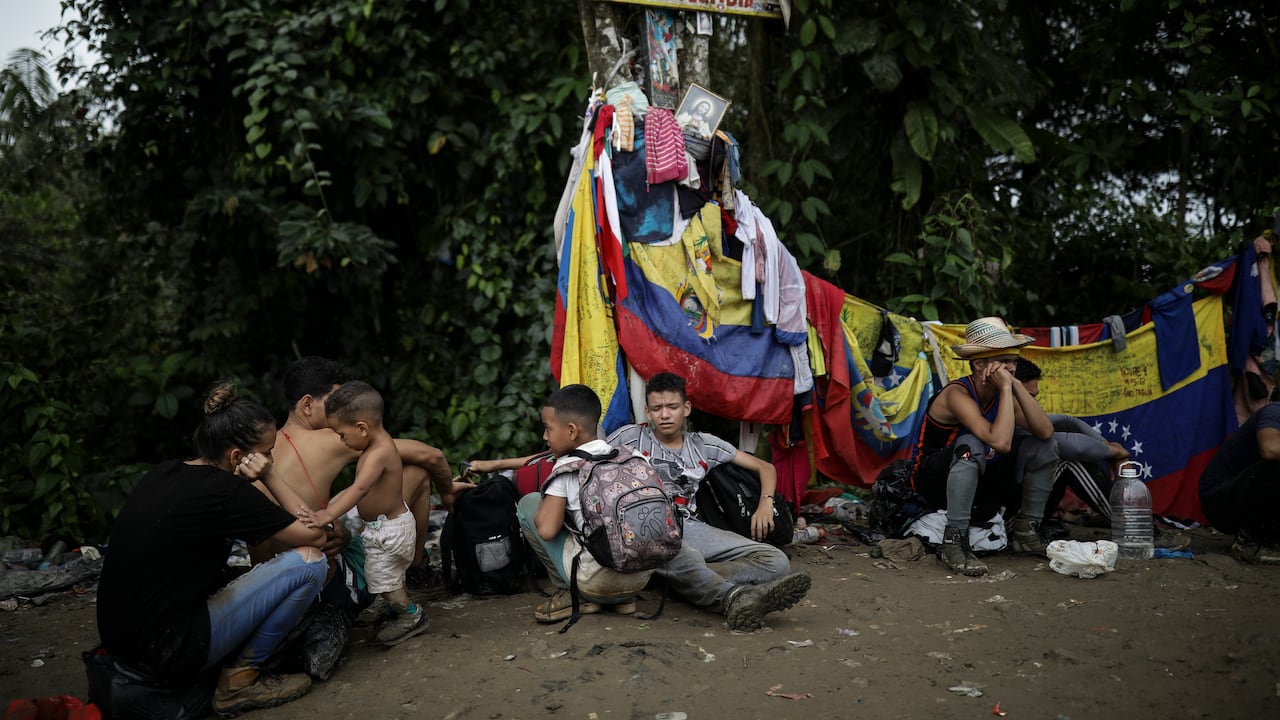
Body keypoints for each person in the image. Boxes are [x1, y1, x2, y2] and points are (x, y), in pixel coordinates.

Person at [96, 382, 327, 717]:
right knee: (310, 563)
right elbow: (316, 537)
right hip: (167, 650)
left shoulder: (164, 473)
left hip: (124, 643)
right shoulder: (226, 492)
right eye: (267, 452)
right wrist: (272, 475)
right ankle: (238, 683)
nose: (271, 459)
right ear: (238, 457)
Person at [517, 384, 812, 632]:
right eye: (657, 408)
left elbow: (546, 529)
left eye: (547, 429)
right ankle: (731, 595)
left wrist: (549, 495)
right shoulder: (632, 453)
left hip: (606, 575)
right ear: (647, 413)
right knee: (675, 554)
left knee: (529, 505)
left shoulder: (567, 468)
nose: (545, 436)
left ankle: (570, 593)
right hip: (643, 569)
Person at [260, 356, 471, 576]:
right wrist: (447, 491)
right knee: (417, 470)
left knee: (358, 487)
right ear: (307, 404)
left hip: (276, 582)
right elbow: (432, 456)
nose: (344, 408)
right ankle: (416, 572)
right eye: (335, 401)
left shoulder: (262, 451)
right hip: (324, 582)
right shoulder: (329, 440)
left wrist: (340, 532)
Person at [606, 372, 794, 586]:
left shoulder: (703, 445)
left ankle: (688, 575)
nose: (665, 415)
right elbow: (590, 458)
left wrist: (765, 503)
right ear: (647, 412)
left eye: (672, 407)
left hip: (688, 527)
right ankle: (691, 575)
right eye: (657, 409)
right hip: (643, 527)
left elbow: (765, 467)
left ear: (686, 408)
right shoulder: (629, 437)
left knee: (776, 561)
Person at [906, 317, 1056, 577]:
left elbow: (1045, 431)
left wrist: (1015, 386)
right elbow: (1000, 442)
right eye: (1003, 361)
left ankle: (1026, 531)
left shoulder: (1005, 390)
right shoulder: (957, 394)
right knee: (972, 443)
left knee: (1043, 446)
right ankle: (954, 542)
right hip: (932, 481)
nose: (1010, 368)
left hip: (978, 477)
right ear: (978, 364)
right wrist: (1008, 388)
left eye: (1014, 361)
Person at [298, 381, 426, 645]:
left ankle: (410, 615)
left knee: (385, 580)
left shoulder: (378, 453)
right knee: (385, 573)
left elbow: (358, 489)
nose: (341, 440)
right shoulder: (375, 446)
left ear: (362, 428)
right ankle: (392, 604)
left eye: (341, 434)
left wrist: (327, 514)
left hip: (390, 532)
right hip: (385, 527)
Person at [1199, 400, 1280, 564]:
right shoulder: (1275, 412)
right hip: (1220, 501)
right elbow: (1269, 449)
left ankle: (1271, 537)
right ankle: (1250, 542)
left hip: (1249, 497)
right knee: (1275, 467)